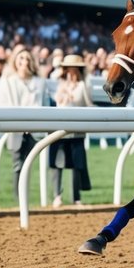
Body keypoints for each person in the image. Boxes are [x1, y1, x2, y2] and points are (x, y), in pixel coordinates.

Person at [0, 45, 48, 191]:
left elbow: (44, 105)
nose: (24, 61)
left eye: (27, 58)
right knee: (17, 165)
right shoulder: (8, 81)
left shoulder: (40, 82)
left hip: (35, 129)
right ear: (15, 61)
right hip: (16, 129)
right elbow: (3, 104)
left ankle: (27, 195)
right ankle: (17, 197)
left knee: (30, 164)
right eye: (21, 58)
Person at [50, 53, 93, 207]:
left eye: (75, 69)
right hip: (59, 129)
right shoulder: (59, 83)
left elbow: (88, 105)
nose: (72, 73)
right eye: (69, 69)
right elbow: (57, 102)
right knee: (57, 163)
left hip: (77, 130)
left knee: (77, 164)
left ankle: (76, 197)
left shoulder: (84, 85)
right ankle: (57, 196)